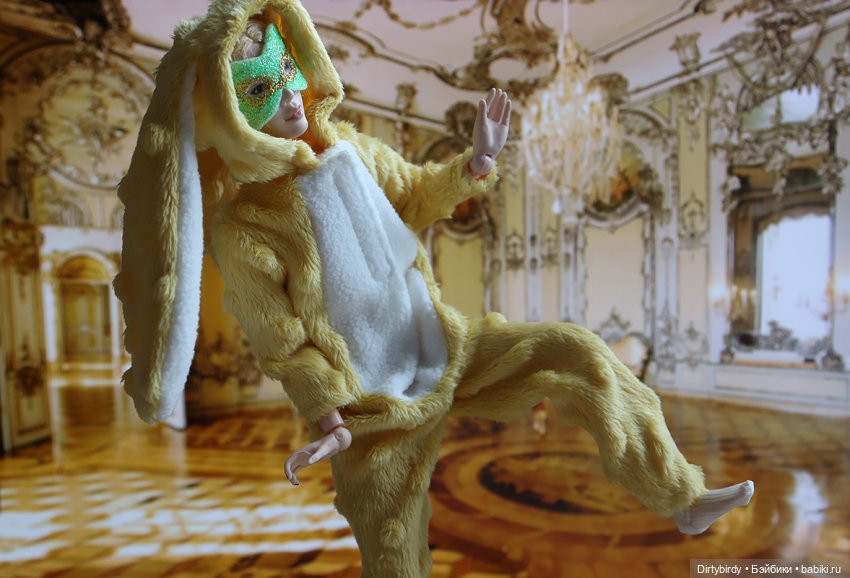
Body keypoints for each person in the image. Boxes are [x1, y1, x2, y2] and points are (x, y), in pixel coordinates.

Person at [114, 2, 754, 577]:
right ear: (230, 115)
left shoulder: (354, 151)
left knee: (579, 352)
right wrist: (328, 415)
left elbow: (418, 194)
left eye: (287, 74)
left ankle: (682, 496)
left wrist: (476, 161)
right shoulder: (245, 225)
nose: (289, 99)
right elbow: (279, 336)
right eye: (260, 91)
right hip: (372, 407)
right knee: (392, 547)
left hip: (446, 343)